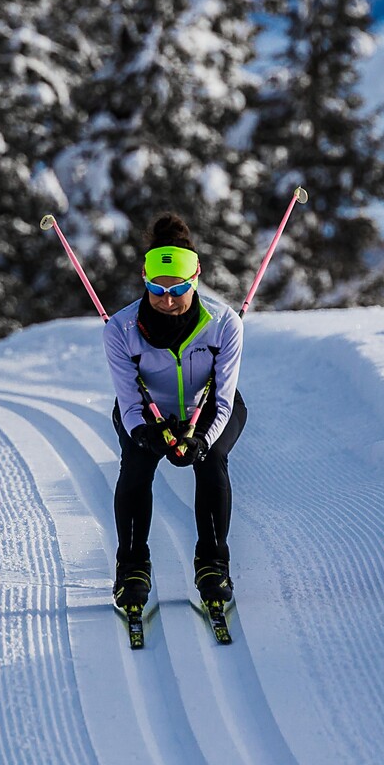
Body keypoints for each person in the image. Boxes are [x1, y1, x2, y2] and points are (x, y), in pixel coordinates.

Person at [104, 213, 246, 612]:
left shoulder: (224, 324)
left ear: (195, 279)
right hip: (149, 414)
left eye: (178, 289)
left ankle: (213, 565)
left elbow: (223, 400)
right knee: (136, 463)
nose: (167, 300)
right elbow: (130, 404)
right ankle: (131, 569)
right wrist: (144, 434)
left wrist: (201, 439)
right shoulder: (120, 329)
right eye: (156, 288)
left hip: (208, 410)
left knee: (213, 459)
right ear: (145, 281)